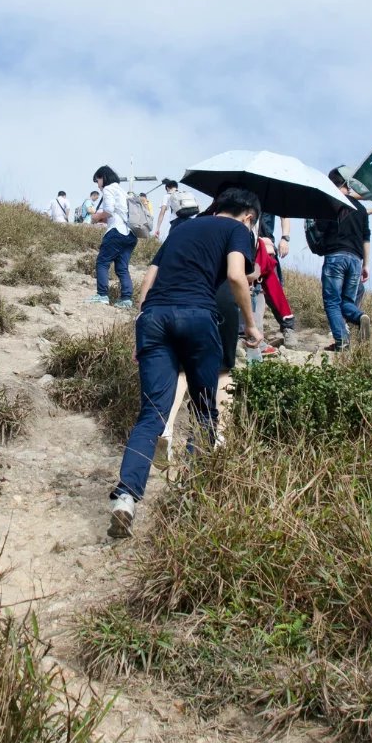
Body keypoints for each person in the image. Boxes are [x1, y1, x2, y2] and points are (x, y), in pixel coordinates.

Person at [109, 186, 262, 538]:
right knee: (205, 411)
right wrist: (251, 325)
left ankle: (126, 497)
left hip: (154, 318)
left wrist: (142, 330)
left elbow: (148, 279)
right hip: (197, 317)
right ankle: (192, 498)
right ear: (249, 216)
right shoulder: (238, 230)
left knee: (151, 415)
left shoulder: (182, 229)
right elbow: (237, 276)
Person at [309, 166, 372, 351]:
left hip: (336, 257)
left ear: (331, 184)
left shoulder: (331, 203)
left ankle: (342, 342)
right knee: (347, 302)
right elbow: (366, 237)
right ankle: (359, 316)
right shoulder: (361, 209)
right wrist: (366, 265)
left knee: (332, 301)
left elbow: (321, 229)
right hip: (356, 260)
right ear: (347, 184)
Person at [87, 165, 137, 307]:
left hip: (116, 232)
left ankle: (102, 295)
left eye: (97, 181)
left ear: (103, 177)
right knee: (122, 268)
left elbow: (108, 210)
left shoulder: (109, 189)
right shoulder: (122, 191)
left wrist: (96, 217)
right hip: (130, 234)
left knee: (102, 262)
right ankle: (126, 299)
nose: (98, 185)